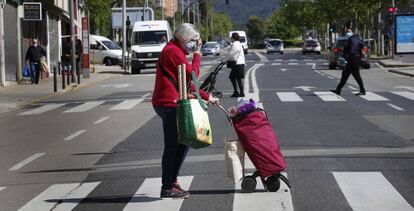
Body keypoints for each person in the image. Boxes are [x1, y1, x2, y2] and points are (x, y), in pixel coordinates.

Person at [152, 23, 219, 199]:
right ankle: (167, 187)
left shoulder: (175, 51)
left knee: (184, 142)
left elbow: (186, 82)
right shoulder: (172, 52)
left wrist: (206, 97)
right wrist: (197, 55)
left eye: (197, 42)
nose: (196, 44)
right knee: (173, 146)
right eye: (194, 41)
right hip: (169, 104)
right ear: (183, 38)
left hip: (170, 102)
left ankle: (172, 181)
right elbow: (193, 75)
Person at [331, 29, 366, 96]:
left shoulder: (351, 40)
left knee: (356, 76)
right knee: (345, 75)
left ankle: (362, 90)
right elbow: (361, 48)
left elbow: (350, 51)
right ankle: (338, 90)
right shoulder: (357, 39)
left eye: (348, 32)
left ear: (351, 33)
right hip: (355, 59)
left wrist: (346, 58)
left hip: (352, 60)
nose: (347, 33)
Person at [223, 32, 246, 97]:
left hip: (238, 64)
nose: (231, 39)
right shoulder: (237, 44)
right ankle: (239, 92)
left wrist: (224, 60)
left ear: (233, 38)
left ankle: (239, 92)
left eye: (231, 38)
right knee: (235, 78)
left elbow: (231, 53)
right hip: (239, 63)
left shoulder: (235, 44)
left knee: (235, 78)